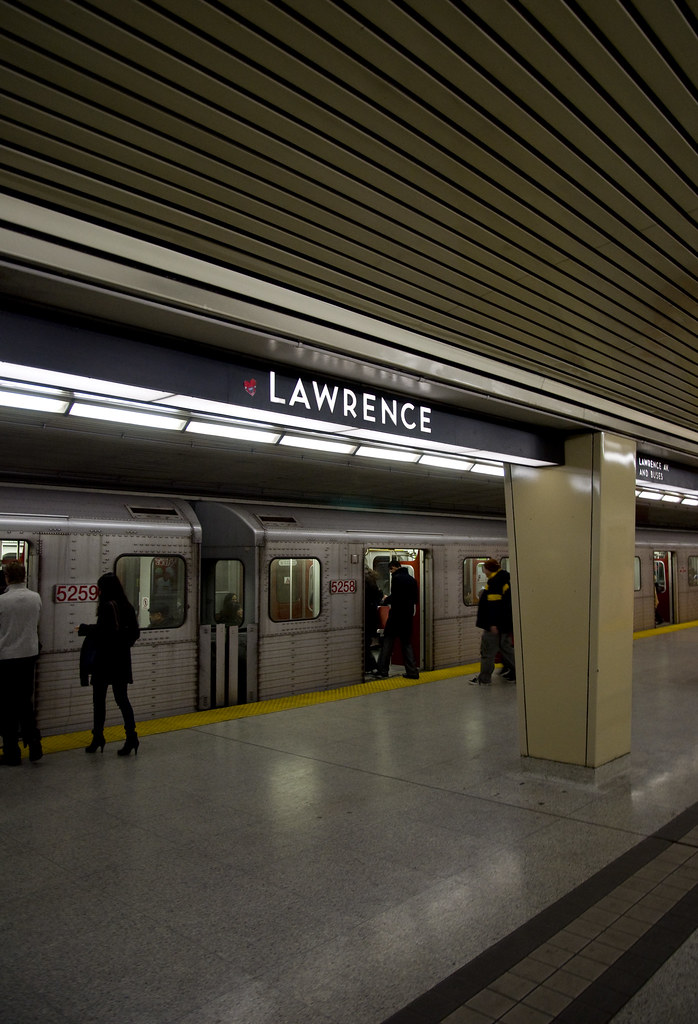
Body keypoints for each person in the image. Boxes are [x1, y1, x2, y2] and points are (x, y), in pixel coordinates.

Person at [78, 572, 141, 756]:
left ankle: (98, 737)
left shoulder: (107, 606)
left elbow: (103, 632)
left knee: (99, 701)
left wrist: (85, 629)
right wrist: (123, 644)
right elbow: (135, 633)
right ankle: (132, 738)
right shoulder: (127, 606)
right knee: (122, 700)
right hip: (121, 660)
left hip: (104, 661)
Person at [0, 560, 43, 765]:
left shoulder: (2, 601)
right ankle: (34, 743)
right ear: (24, 576)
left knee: (7, 708)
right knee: (26, 703)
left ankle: (12, 753)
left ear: (7, 577)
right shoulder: (35, 598)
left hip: (6, 658)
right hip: (29, 656)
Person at [470, 558, 516, 685]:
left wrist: (493, 624)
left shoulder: (496, 582)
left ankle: (484, 679)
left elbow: (495, 606)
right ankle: (520, 672)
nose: (483, 571)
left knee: (487, 651)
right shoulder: (501, 579)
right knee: (506, 649)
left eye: (484, 568)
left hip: (495, 625)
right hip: (503, 624)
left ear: (488, 569)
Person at [375, 560, 419, 680]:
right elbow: (415, 599)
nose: (391, 572)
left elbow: (395, 598)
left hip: (396, 617)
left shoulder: (397, 579)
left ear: (394, 567)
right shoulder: (412, 580)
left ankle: (383, 670)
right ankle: (412, 672)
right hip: (407, 617)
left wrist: (385, 599)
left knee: (388, 643)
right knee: (406, 644)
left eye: (391, 570)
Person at [364, 568, 383, 672]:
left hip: (365, 617)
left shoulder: (364, 581)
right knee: (366, 642)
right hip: (371, 617)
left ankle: (371, 665)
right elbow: (377, 596)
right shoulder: (372, 582)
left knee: (365, 643)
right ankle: (370, 665)